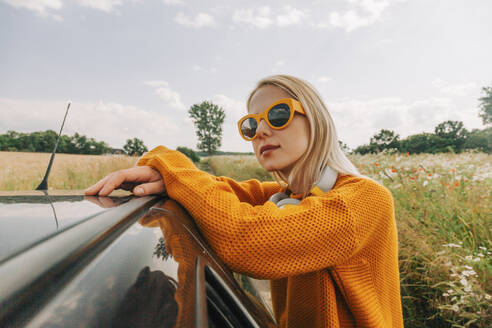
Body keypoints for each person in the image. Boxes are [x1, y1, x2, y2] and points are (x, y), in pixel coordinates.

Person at [86, 75, 404, 327]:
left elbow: (247, 241)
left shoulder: (364, 199)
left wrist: (172, 166)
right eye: (251, 125)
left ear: (316, 120)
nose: (261, 131)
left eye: (278, 115)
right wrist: (165, 176)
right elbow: (213, 191)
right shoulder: (286, 197)